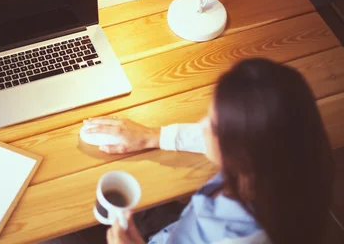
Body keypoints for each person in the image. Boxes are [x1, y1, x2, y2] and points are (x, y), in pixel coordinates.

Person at [84, 58, 334, 244]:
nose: (201, 127)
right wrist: (153, 136)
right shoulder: (285, 163)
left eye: (213, 126)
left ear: (242, 153)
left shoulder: (236, 238)